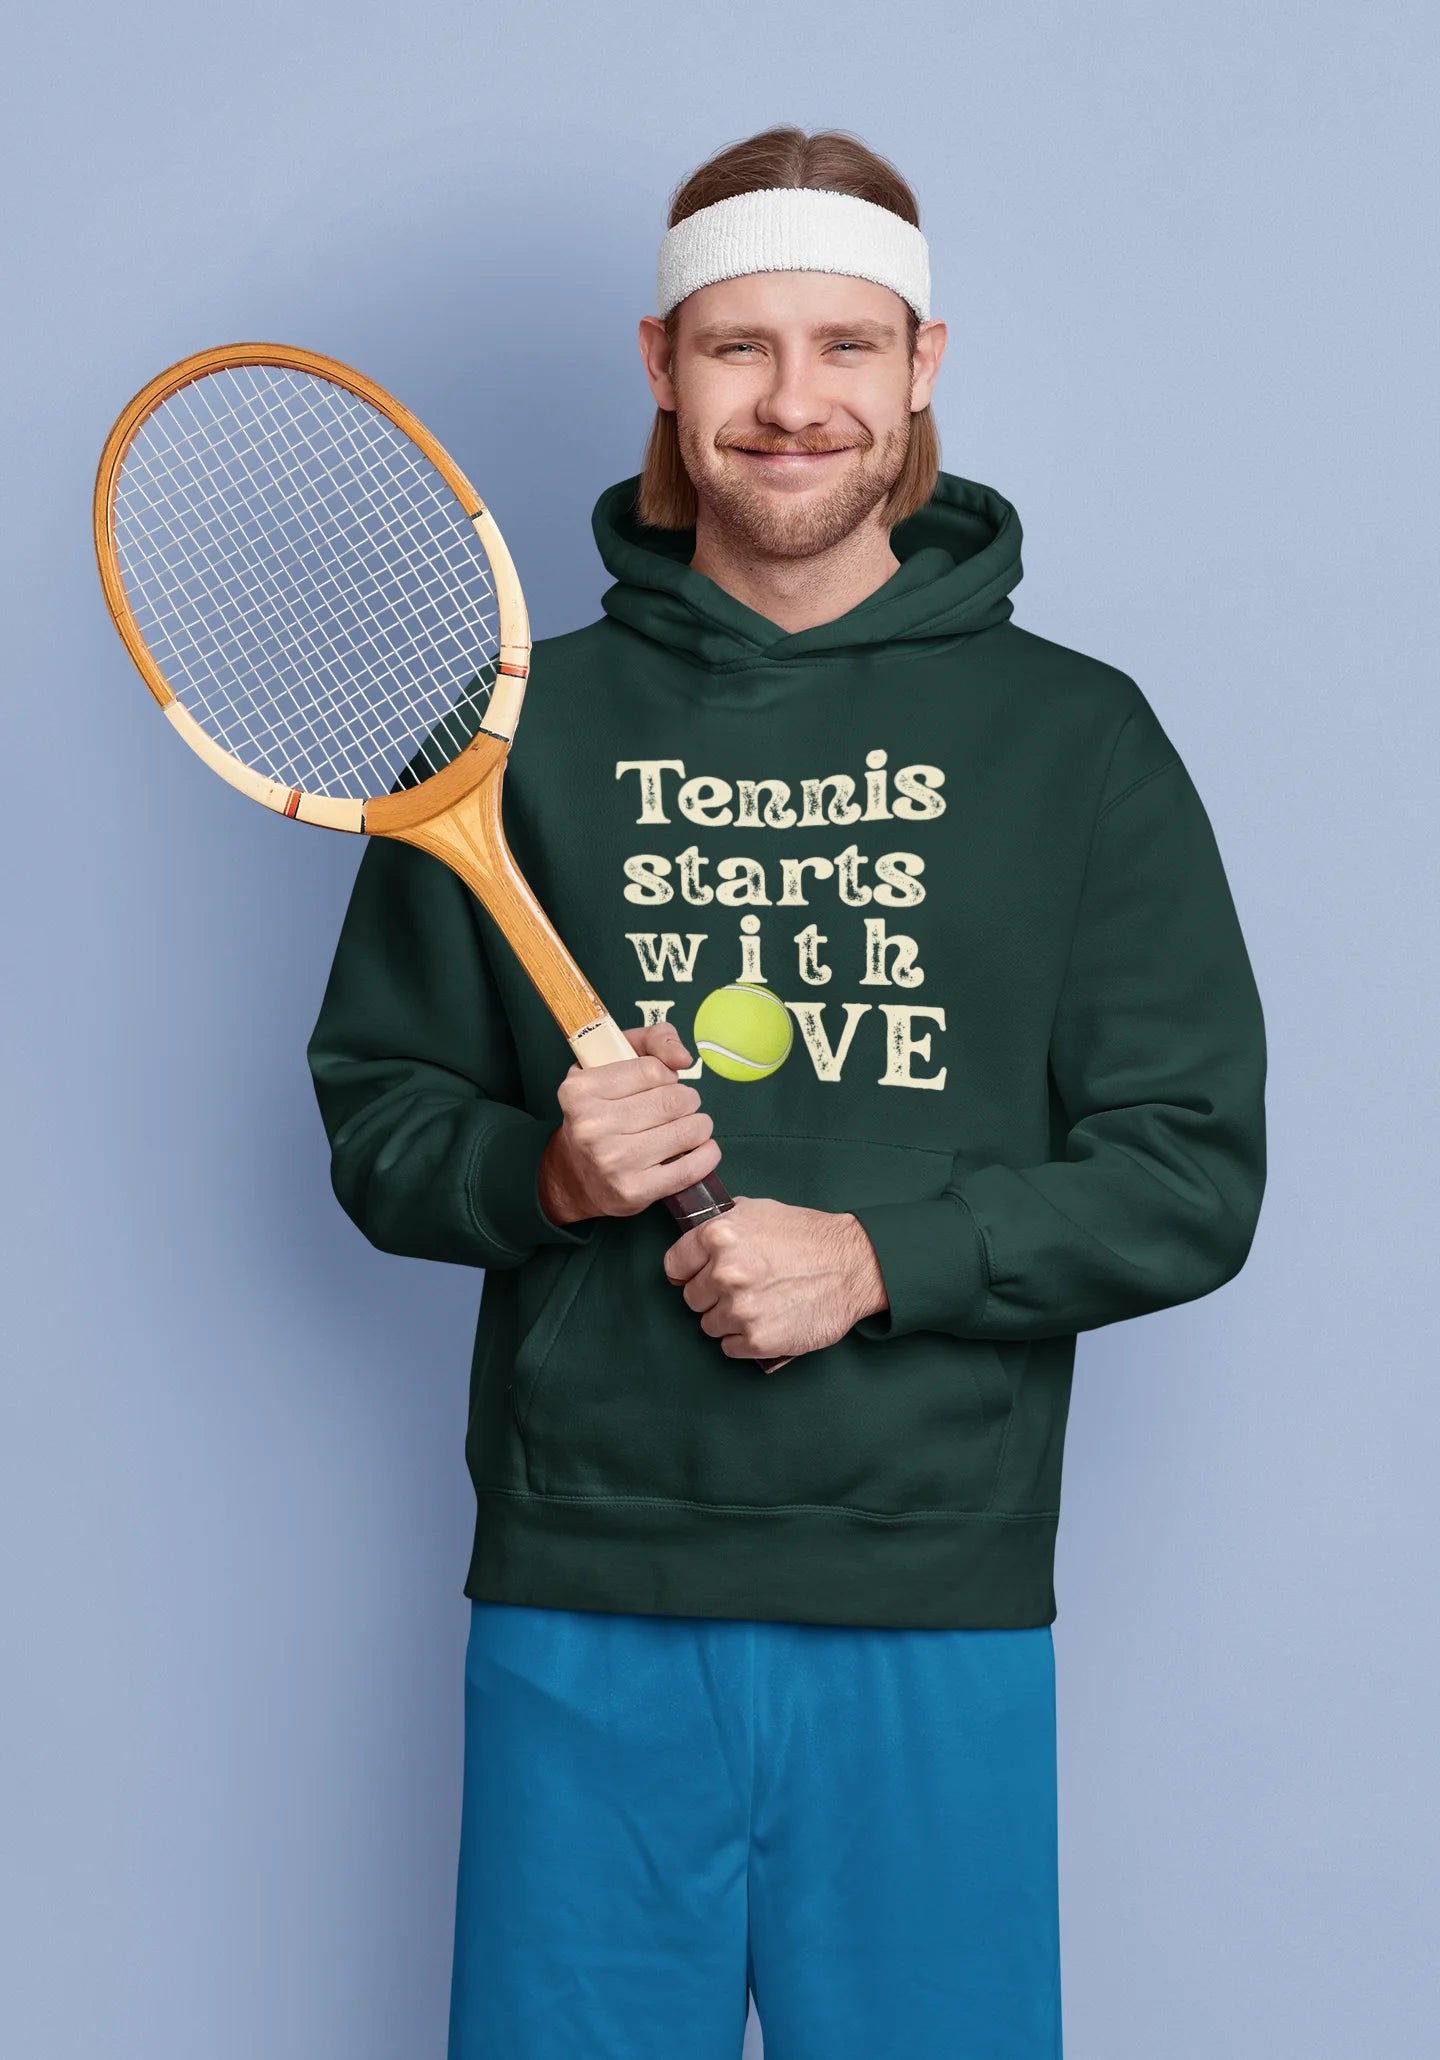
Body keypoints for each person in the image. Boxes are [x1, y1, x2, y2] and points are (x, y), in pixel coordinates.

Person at [307, 124, 1267, 2060]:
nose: (794, 403)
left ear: (925, 366)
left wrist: (882, 1258)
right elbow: (382, 1120)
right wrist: (552, 1176)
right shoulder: (511, 735)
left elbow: (1191, 1172)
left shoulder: (1078, 741)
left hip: (936, 1584)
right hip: (588, 1575)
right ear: (661, 366)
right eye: (741, 349)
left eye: (847, 346)